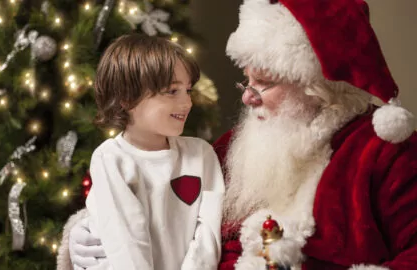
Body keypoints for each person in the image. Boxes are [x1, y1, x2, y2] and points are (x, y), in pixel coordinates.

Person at [57, 0, 417, 269]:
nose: (247, 95)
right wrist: (85, 232)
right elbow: (157, 209)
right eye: (247, 80)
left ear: (317, 86)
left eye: (266, 83)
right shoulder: (231, 148)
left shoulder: (385, 153)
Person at [63, 34, 225, 270]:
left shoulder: (201, 155)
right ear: (127, 99)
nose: (187, 102)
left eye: (188, 90)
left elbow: (208, 233)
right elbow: (126, 246)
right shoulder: (111, 159)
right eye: (172, 91)